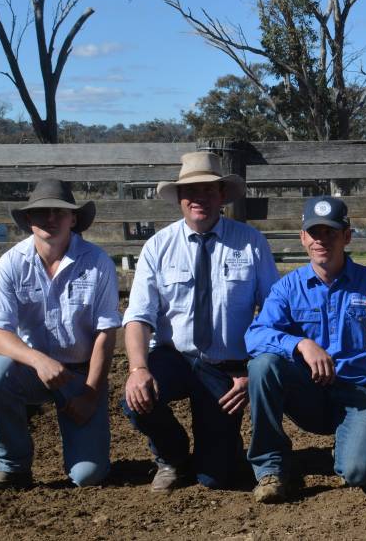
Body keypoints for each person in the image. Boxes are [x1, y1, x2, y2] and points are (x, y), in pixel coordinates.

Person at [121, 151, 279, 490]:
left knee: (214, 479)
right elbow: (138, 316)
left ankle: (221, 451)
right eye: (191, 191)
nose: (200, 198)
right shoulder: (158, 246)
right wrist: (138, 369)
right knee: (135, 399)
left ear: (222, 195)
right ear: (179, 198)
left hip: (226, 367)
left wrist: (252, 369)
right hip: (173, 357)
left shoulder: (251, 243)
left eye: (209, 190)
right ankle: (171, 456)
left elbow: (272, 313)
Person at [0, 178, 120, 494]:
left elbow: (106, 334)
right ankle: (12, 467)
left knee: (88, 476)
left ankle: (84, 450)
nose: (50, 219)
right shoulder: (12, 263)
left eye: (59, 211)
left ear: (74, 218)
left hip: (80, 373)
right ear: (29, 220)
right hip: (32, 370)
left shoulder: (97, 263)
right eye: (41, 213)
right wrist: (38, 360)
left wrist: (90, 395)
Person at [244, 196, 366, 502]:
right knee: (263, 365)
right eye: (314, 233)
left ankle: (353, 444)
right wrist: (300, 344)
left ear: (347, 236)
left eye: (331, 233)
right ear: (303, 238)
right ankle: (271, 468)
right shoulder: (287, 287)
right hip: (308, 392)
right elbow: (255, 335)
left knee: (357, 471)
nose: (322, 241)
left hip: (357, 393)